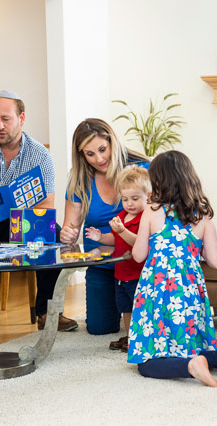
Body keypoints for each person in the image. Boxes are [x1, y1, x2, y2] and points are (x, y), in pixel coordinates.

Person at [0, 89, 77, 332]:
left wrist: (19, 211)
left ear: (22, 118)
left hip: (22, 222)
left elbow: (47, 204)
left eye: (6, 119)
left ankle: (47, 310)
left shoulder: (40, 154)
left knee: (55, 239)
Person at [127, 150, 217, 387]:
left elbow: (138, 255)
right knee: (191, 346)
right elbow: (216, 262)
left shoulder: (150, 211)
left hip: (156, 290)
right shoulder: (202, 216)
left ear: (158, 182)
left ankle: (190, 367)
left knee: (147, 363)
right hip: (188, 291)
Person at [60, 118, 148, 335]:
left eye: (102, 149)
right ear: (82, 155)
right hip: (102, 264)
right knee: (99, 328)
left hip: (139, 266)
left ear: (112, 143)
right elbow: (70, 230)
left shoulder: (141, 170)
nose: (98, 159)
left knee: (145, 325)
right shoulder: (79, 180)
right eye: (90, 154)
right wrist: (67, 234)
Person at [84, 165, 150, 351]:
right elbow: (115, 238)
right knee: (126, 309)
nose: (129, 204)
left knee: (140, 308)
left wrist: (123, 230)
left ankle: (142, 337)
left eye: (135, 199)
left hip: (138, 274)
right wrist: (100, 237)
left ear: (148, 196)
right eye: (125, 199)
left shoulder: (146, 218)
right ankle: (130, 338)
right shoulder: (122, 215)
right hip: (121, 274)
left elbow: (141, 243)